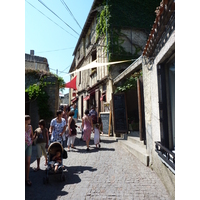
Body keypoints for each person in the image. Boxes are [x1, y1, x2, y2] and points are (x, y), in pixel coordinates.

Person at [25, 115, 34, 186]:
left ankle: (27, 178)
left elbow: (32, 136)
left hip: (29, 145)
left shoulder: (30, 127)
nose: (30, 121)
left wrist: (33, 138)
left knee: (28, 162)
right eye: (29, 119)